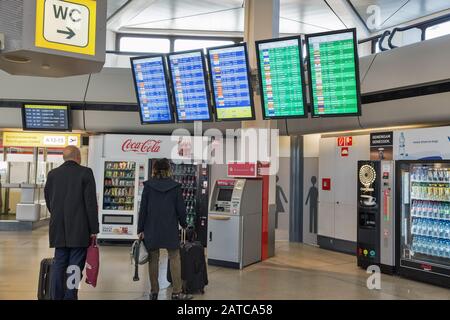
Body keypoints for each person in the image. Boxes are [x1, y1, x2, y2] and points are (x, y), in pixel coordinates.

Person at [44, 146, 99, 300]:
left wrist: (58, 216)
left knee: (59, 263)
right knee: (75, 266)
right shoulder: (85, 173)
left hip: (58, 227)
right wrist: (94, 229)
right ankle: (70, 296)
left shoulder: (52, 174)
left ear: (64, 157)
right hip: (79, 229)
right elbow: (90, 203)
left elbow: (49, 201)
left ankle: (56, 296)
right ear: (78, 157)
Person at [138, 158, 191, 300]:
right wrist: (184, 223)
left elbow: (143, 209)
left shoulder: (148, 186)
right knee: (174, 257)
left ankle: (154, 291)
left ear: (154, 170)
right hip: (169, 228)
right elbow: (181, 209)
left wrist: (140, 228)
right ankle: (177, 292)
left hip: (151, 227)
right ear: (168, 170)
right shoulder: (175, 187)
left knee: (153, 258)